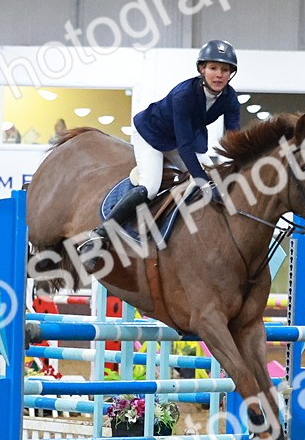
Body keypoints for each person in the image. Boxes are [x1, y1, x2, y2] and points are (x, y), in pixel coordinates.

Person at [77, 39, 241, 268]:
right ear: (202, 69)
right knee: (151, 187)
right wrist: (202, 182)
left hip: (180, 138)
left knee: (213, 175)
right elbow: (184, 147)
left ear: (231, 74)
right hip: (152, 135)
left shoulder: (230, 98)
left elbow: (234, 140)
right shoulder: (184, 94)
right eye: (213, 68)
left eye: (225, 70)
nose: (219, 75)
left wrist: (238, 168)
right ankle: (99, 236)